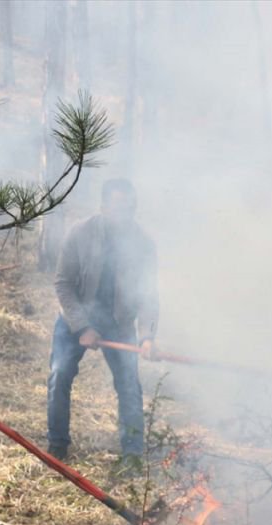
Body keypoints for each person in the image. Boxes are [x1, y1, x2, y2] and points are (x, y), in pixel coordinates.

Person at [47, 179, 159, 466]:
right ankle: (57, 446)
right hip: (75, 320)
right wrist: (83, 327)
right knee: (60, 374)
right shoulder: (79, 233)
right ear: (103, 207)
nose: (125, 214)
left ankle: (132, 457)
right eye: (119, 208)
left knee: (130, 387)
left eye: (130, 208)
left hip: (119, 324)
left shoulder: (143, 244)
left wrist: (146, 336)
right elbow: (63, 284)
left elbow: (148, 296)